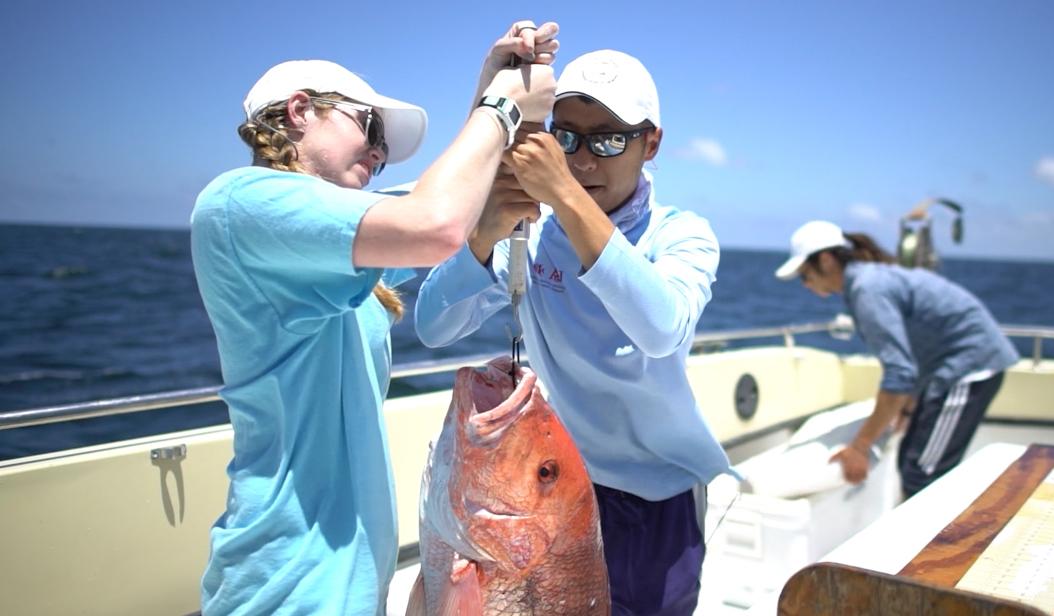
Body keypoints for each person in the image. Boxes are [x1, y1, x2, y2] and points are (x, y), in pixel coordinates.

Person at [189, 22, 559, 615]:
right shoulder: (242, 202)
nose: (380, 152)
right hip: (285, 587)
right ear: (300, 110)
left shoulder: (335, 248)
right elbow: (436, 224)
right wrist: (502, 106)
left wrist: (493, 86)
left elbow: (454, 200)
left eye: (383, 147)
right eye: (370, 127)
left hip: (353, 587)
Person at [413, 49, 732, 615]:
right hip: (545, 485)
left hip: (658, 495)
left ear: (651, 143)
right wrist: (486, 232)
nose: (583, 161)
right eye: (567, 138)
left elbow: (662, 328)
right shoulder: (527, 233)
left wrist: (563, 194)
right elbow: (433, 326)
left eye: (608, 141)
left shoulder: (682, 235)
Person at [774, 220, 1019, 498]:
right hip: (946, 368)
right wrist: (907, 405)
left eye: (805, 275)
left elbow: (899, 372)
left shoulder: (867, 290)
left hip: (969, 368)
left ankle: (940, 541)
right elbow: (913, 349)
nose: (806, 284)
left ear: (827, 260)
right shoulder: (867, 281)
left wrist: (860, 447)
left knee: (922, 473)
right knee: (912, 460)